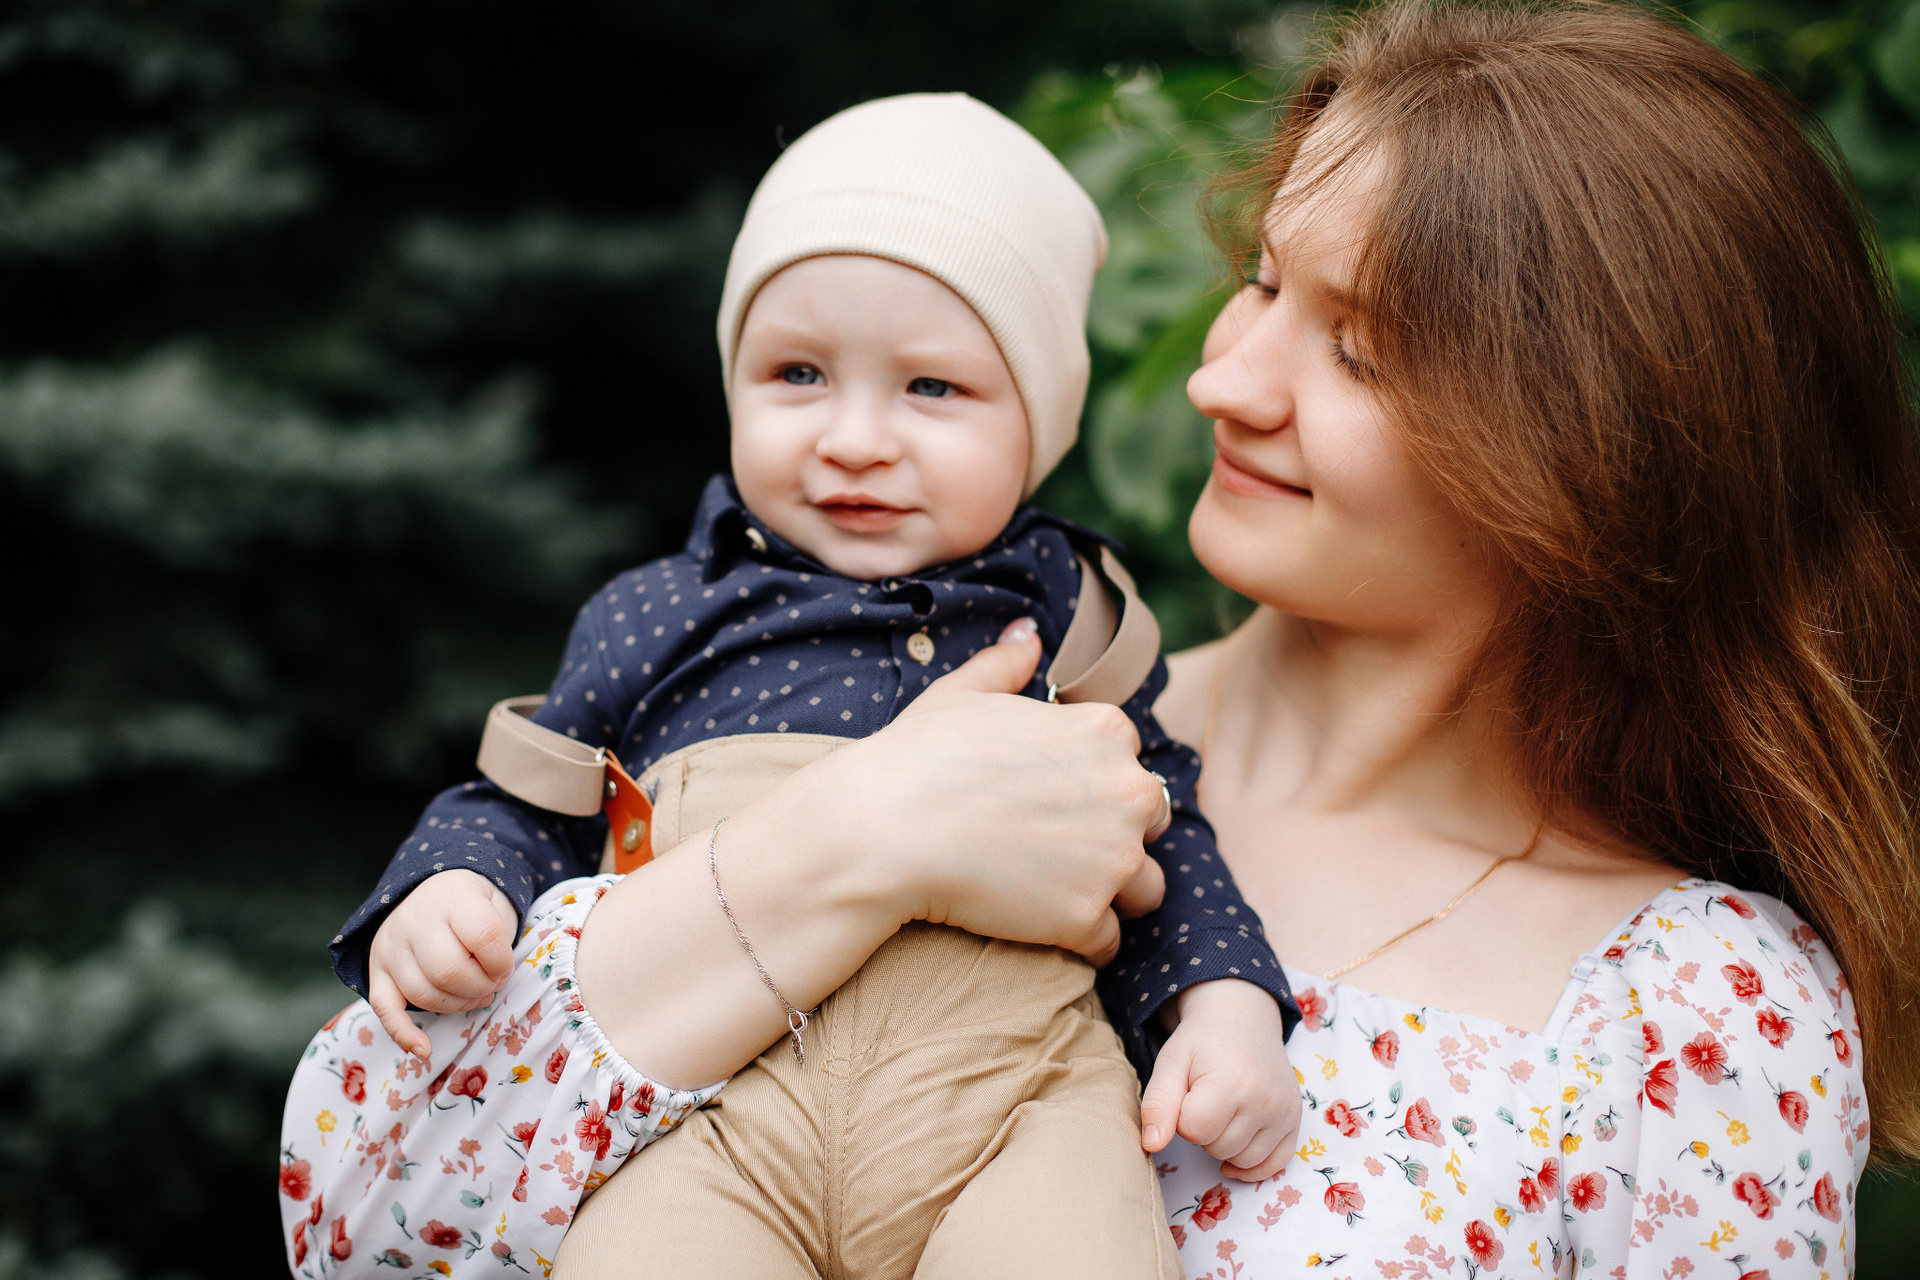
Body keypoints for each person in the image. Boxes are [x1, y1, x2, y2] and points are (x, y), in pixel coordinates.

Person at [290, 0, 1920, 1273]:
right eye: (1261, 283)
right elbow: (357, 1213)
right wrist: (848, 842)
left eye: (1357, 350)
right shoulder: (915, 699)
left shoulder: (1697, 1018)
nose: (1223, 379)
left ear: (1592, 459)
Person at [280, 93, 1301, 1280]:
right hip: (709, 1125)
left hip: (1012, 1108)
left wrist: (1225, 1005)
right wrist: (453, 882)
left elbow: (1163, 820)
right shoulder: (661, 611)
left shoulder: (1070, 619)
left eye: (932, 388)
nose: (855, 437)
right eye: (799, 373)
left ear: (1039, 421)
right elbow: (525, 797)